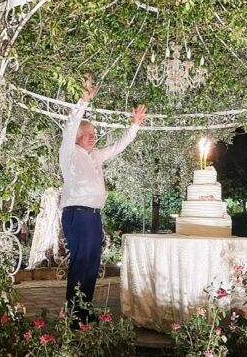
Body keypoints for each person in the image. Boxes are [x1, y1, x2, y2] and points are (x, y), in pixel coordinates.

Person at [59, 73, 147, 325]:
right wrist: (84, 100)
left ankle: (85, 310)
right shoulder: (69, 152)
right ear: (77, 136)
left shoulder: (95, 156)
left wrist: (135, 125)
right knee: (81, 263)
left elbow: (118, 146)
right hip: (77, 213)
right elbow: (71, 125)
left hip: (94, 216)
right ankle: (74, 315)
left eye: (94, 133)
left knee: (92, 264)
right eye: (88, 133)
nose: (93, 136)